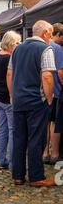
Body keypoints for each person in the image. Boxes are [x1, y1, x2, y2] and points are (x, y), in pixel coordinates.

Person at [7, 20, 56, 187]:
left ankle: (18, 176)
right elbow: (47, 76)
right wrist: (49, 98)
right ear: (45, 33)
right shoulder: (45, 49)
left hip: (19, 100)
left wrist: (13, 95)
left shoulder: (17, 49)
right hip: (37, 100)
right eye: (50, 32)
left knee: (19, 138)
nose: (51, 36)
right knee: (36, 138)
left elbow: (9, 73)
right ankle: (36, 176)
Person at [0, 31, 21, 170]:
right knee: (12, 130)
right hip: (8, 97)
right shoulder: (11, 58)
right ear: (10, 44)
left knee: (2, 129)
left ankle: (1, 160)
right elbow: (13, 77)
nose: (18, 45)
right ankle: (14, 163)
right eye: (16, 43)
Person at [43, 23, 63, 165]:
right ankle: (55, 153)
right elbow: (60, 71)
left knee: (45, 122)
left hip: (42, 91)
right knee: (55, 123)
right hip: (56, 91)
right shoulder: (57, 49)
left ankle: (44, 153)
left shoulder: (41, 46)